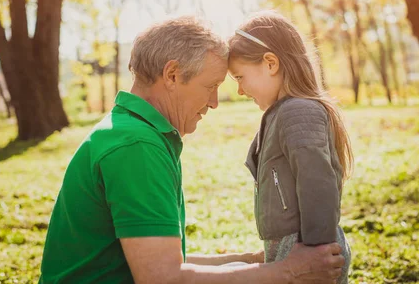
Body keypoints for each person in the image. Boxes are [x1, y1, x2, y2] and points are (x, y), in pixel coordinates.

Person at [39, 16, 345, 284]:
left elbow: (161, 262)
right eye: (210, 86)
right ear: (172, 75)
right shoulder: (136, 147)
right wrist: (288, 273)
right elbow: (162, 278)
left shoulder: (131, 131)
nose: (214, 102)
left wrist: (253, 261)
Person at [228, 11, 354, 283]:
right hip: (289, 245)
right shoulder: (283, 112)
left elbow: (318, 182)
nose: (239, 90)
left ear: (270, 63)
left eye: (239, 77)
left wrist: (316, 252)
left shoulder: (298, 111)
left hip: (307, 248)